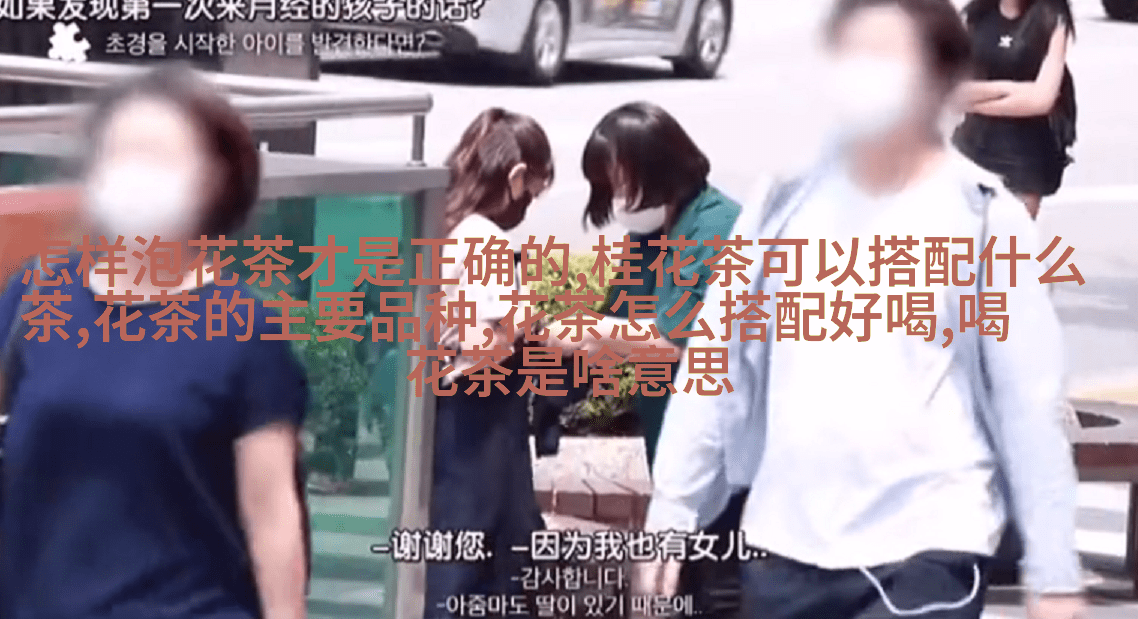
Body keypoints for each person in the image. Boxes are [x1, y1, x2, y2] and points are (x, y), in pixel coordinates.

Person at [636, 2, 1085, 619]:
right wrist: (673, 509)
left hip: (930, 546)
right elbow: (717, 356)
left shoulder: (986, 217)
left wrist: (1054, 569)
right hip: (786, 543)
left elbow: (1026, 401)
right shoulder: (782, 205)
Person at [0, 66, 310, 619]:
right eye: (120, 154)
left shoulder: (245, 329)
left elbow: (272, 518)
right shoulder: (37, 294)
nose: (135, 176)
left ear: (214, 181)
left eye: (160, 158)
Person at [558, 101, 746, 619]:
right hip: (671, 442)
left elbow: (675, 341)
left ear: (659, 169)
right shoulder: (649, 237)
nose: (616, 200)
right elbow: (616, 320)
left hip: (725, 453)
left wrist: (594, 333)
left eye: (620, 183)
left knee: (718, 586)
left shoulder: (718, 230)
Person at [425, 108, 556, 619]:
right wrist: (530, 320)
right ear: (516, 177)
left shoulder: (440, 217)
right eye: (534, 190)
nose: (530, 204)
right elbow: (485, 343)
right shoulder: (484, 240)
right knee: (475, 565)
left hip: (443, 412)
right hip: (478, 424)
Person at [952, 0, 1076, 220]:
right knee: (966, 237)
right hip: (972, 148)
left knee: (1011, 240)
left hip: (1024, 160)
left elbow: (1041, 100)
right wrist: (1012, 89)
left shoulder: (1052, 19)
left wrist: (976, 102)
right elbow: (952, 90)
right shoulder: (975, 15)